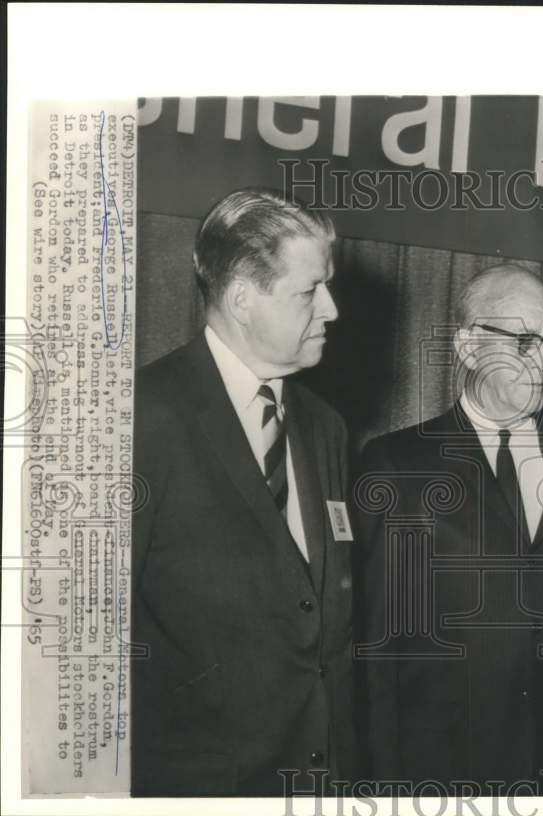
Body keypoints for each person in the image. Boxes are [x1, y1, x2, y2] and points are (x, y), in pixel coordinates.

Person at [355, 265, 543, 793]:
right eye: (525, 343)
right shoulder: (394, 465)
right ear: (469, 347)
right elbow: (375, 650)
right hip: (443, 776)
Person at [131, 188, 357, 796]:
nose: (332, 309)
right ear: (240, 299)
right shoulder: (139, 417)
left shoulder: (327, 428)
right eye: (310, 291)